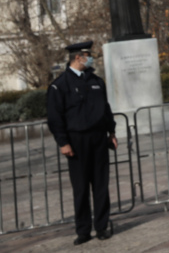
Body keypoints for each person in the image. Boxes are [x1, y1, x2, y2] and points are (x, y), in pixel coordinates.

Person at [46, 41, 117, 245]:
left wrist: (111, 131)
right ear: (78, 57)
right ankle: (83, 230)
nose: (91, 58)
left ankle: (102, 226)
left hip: (98, 138)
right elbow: (55, 117)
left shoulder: (96, 81)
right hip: (76, 141)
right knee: (81, 187)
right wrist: (63, 142)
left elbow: (105, 108)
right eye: (88, 55)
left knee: (101, 185)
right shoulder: (60, 85)